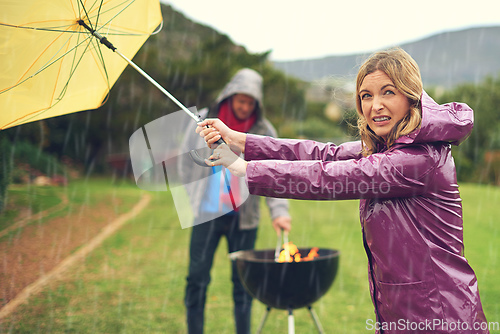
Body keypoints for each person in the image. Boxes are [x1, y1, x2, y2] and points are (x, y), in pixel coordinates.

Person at [197, 49, 489, 333]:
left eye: (388, 92)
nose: (375, 106)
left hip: (439, 315)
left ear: (411, 95)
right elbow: (322, 154)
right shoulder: (388, 147)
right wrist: (242, 141)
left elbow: (330, 178)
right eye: (366, 96)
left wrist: (244, 169)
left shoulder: (418, 159)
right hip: (405, 312)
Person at [182, 68, 291, 334]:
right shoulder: (204, 121)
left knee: (243, 284)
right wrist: (193, 195)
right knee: (197, 278)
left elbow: (276, 174)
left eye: (250, 102)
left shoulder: (264, 130)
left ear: (257, 103)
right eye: (240, 100)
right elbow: (186, 162)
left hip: (245, 219)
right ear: (229, 96)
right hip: (206, 215)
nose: (244, 106)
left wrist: (279, 212)